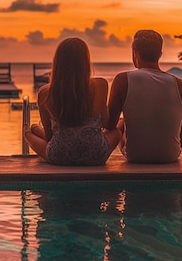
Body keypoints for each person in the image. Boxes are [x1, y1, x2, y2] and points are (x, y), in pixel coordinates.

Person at [106, 29, 182, 164]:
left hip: (136, 156)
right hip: (170, 156)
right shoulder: (181, 85)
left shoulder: (122, 80)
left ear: (135, 53)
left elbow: (109, 124)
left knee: (120, 123)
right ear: (160, 54)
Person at [24, 37, 121, 165]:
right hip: (95, 154)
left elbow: (49, 137)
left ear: (57, 62)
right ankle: (36, 129)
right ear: (86, 61)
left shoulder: (45, 93)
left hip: (59, 155)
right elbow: (106, 123)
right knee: (117, 131)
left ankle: (31, 130)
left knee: (29, 132)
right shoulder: (100, 85)